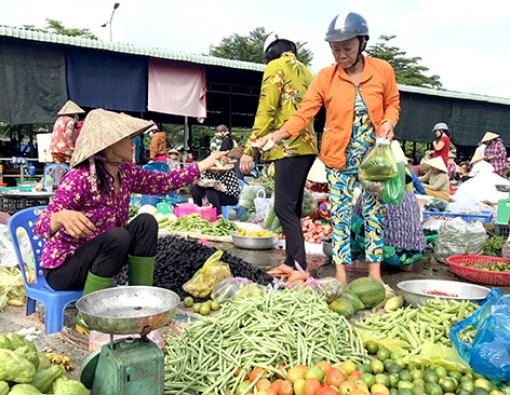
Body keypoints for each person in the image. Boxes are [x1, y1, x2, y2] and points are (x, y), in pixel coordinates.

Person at [33, 109, 226, 334]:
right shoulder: (79, 178)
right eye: (126, 139)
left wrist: (208, 162)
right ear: (109, 145)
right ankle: (89, 318)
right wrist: (60, 217)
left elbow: (164, 182)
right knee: (118, 235)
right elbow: (41, 224)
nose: (132, 143)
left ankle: (141, 303)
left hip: (104, 260)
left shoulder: (126, 173)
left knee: (146, 222)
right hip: (64, 270)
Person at [257, 12, 400, 286]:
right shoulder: (325, 77)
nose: (341, 54)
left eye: (347, 48)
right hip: (338, 157)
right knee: (341, 216)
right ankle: (341, 275)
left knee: (374, 215)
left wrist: (388, 121)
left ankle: (374, 275)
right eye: (336, 49)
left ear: (362, 42)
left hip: (373, 160)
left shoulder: (383, 70)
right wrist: (278, 134)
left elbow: (393, 102)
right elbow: (304, 113)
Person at [239, 32, 318, 275]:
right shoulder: (306, 71)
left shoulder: (275, 66)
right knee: (291, 207)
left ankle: (299, 266)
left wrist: (249, 149)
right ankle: (291, 261)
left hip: (287, 147)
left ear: (271, 53)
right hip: (306, 147)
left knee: (283, 207)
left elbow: (267, 109)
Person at [352, 189, 426, 270]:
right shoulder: (410, 195)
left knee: (351, 220)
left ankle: (364, 263)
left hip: (389, 254)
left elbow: (356, 223)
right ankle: (405, 265)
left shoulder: (368, 194)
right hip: (416, 252)